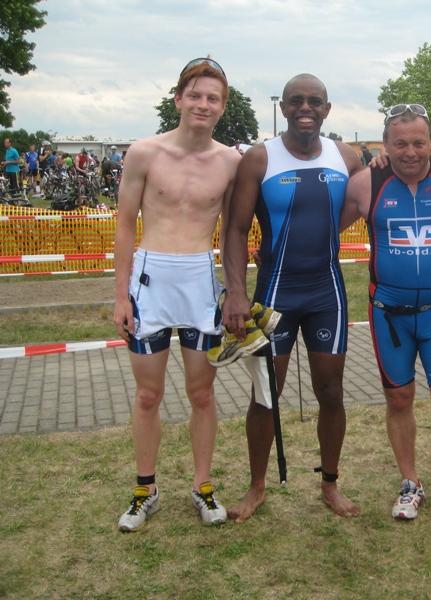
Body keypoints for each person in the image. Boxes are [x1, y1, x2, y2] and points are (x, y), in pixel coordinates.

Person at [222, 73, 363, 522]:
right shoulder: (260, 158)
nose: (306, 108)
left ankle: (330, 484)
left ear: (327, 108)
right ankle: (256, 487)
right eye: (297, 101)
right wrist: (236, 292)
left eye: (314, 101)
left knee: (331, 392)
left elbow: (366, 200)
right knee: (266, 394)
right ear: (283, 108)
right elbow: (235, 230)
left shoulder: (347, 156)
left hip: (327, 292)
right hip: (275, 292)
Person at [342, 103, 431, 528]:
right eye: (401, 144)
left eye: (419, 143)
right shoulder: (366, 183)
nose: (411, 152)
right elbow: (322, 231)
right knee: (399, 398)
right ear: (385, 146)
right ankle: (410, 483)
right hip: (389, 315)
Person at [113, 57, 241, 532]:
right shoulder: (145, 152)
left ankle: (203, 487)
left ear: (222, 107)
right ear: (179, 99)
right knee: (148, 394)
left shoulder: (230, 162)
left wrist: (234, 292)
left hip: (199, 283)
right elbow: (125, 226)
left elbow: (232, 232)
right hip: (151, 282)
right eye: (196, 95)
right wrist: (120, 295)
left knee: (201, 393)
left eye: (213, 98)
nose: (203, 104)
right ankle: (144, 490)